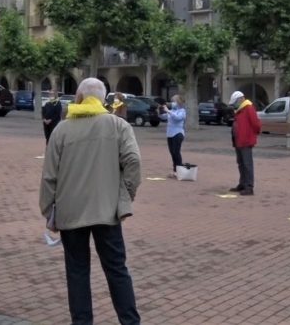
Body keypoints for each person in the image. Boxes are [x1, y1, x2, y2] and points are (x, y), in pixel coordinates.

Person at [40, 78, 141, 325]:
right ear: (103, 99)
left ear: (78, 98)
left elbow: (49, 176)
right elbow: (133, 162)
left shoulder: (61, 130)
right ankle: (130, 321)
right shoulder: (118, 126)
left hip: (70, 213)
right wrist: (125, 197)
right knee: (117, 270)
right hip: (107, 211)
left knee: (77, 273)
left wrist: (48, 211)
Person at [228, 90, 261, 196]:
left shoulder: (248, 108)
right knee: (241, 163)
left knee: (247, 164)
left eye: (235, 102)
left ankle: (249, 187)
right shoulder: (240, 109)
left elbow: (256, 124)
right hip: (239, 140)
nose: (234, 105)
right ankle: (242, 183)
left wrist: (251, 135)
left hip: (245, 140)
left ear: (241, 99)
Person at [159, 95, 186, 178]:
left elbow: (178, 118)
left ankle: (179, 171)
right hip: (170, 134)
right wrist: (160, 110)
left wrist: (168, 111)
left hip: (178, 133)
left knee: (176, 152)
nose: (172, 103)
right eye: (172, 101)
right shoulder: (171, 111)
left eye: (174, 101)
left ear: (179, 102)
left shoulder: (182, 111)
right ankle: (175, 171)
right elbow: (162, 117)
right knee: (172, 153)